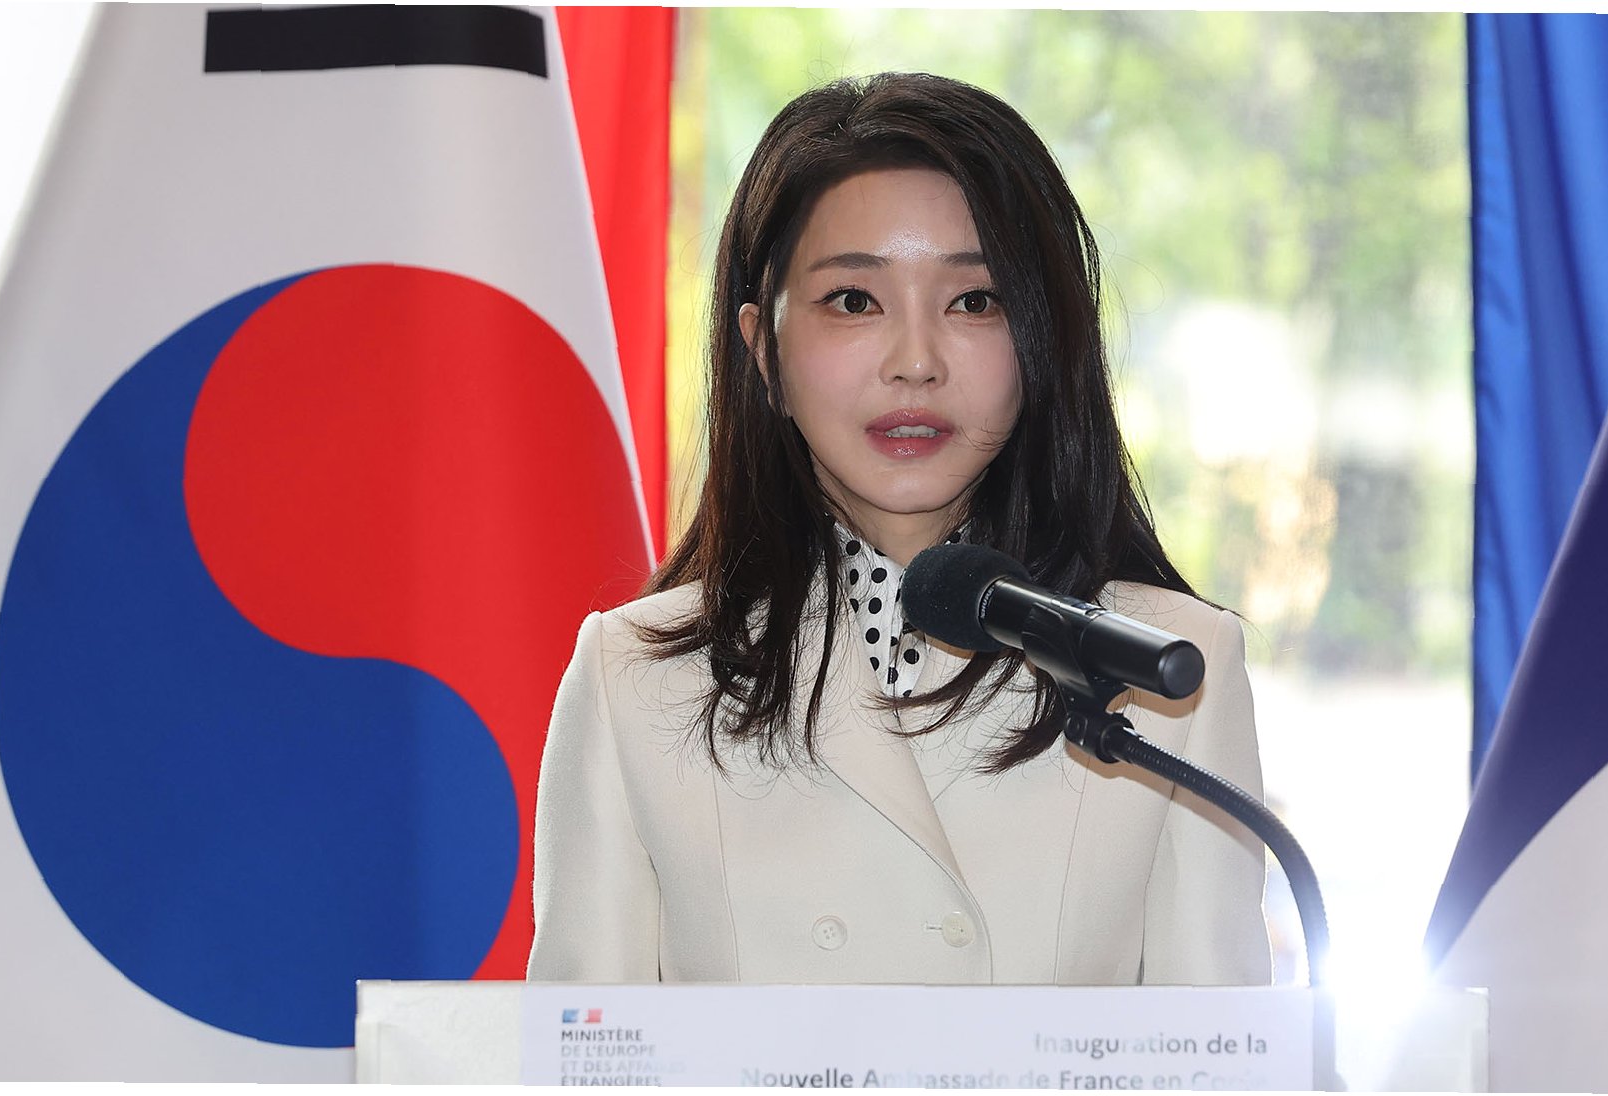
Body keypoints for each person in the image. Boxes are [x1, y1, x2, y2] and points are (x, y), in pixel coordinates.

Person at [526, 72, 1268, 986]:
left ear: (1042, 343)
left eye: (974, 301)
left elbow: (1217, 1052)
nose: (916, 362)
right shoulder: (635, 678)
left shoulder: (1171, 669)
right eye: (853, 300)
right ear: (764, 353)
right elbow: (584, 1052)